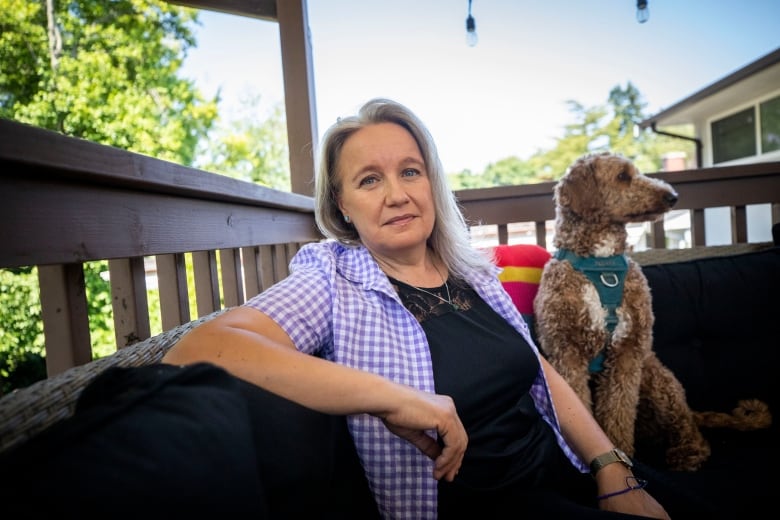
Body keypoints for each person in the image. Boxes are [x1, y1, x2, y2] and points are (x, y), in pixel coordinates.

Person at [162, 98, 691, 519]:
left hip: (569, 467)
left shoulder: (471, 272)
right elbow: (200, 348)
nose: (396, 194)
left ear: (431, 184)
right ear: (342, 204)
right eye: (369, 180)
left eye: (410, 172)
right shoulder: (331, 278)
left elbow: (540, 370)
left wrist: (609, 468)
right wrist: (388, 397)